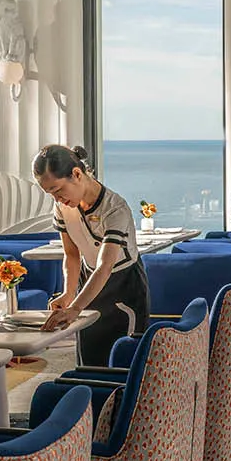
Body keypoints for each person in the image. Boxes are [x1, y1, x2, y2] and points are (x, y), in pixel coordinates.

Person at [33, 144, 150, 366]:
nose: (57, 199)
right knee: (88, 364)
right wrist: (69, 295)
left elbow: (105, 266)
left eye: (58, 191)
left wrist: (76, 308)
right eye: (50, 194)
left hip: (123, 288)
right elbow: (71, 255)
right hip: (87, 285)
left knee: (124, 367)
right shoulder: (63, 208)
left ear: (76, 174)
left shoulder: (115, 209)